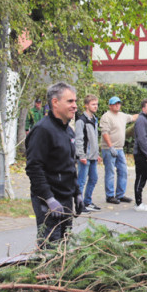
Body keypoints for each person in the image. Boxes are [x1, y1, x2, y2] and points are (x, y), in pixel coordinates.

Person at [26, 82, 82, 246]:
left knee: (64, 249)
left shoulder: (67, 130)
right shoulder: (42, 130)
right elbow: (34, 168)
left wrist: (77, 193)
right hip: (49, 202)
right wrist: (49, 199)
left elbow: (70, 166)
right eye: (70, 101)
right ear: (55, 102)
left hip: (66, 199)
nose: (75, 106)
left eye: (75, 101)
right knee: (50, 250)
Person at [99, 96, 137, 205]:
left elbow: (133, 117)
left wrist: (146, 112)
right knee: (110, 172)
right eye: (115, 103)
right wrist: (110, 146)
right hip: (109, 149)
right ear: (110, 105)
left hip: (120, 149)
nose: (117, 105)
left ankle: (120, 194)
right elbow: (105, 132)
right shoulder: (106, 117)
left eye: (119, 103)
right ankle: (110, 196)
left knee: (123, 171)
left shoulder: (122, 116)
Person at [74, 95, 102, 212]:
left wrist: (97, 153)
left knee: (94, 178)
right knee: (81, 181)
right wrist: (81, 155)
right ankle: (79, 205)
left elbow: (94, 138)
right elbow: (79, 139)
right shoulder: (81, 120)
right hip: (85, 156)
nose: (95, 106)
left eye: (96, 104)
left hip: (93, 156)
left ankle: (87, 202)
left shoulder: (94, 119)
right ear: (86, 105)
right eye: (93, 104)